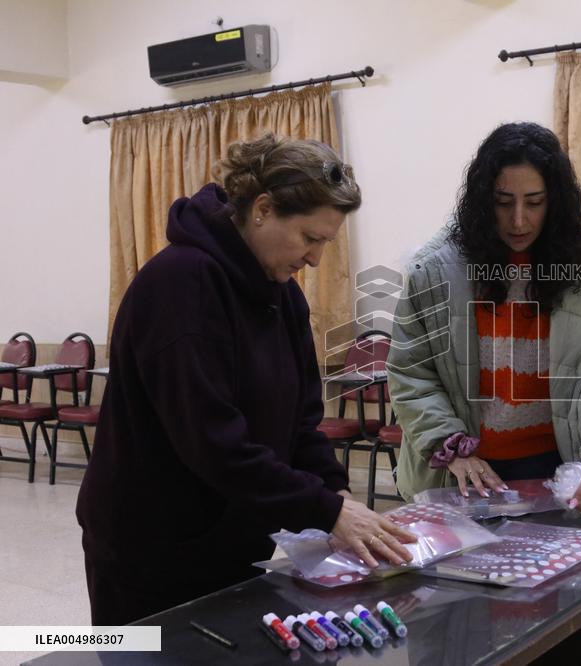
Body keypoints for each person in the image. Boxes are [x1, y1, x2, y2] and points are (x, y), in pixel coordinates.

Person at [77, 134, 414, 626]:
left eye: (326, 242)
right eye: (309, 238)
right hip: (151, 547)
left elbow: (302, 423)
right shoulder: (182, 283)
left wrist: (336, 494)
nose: (317, 259)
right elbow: (213, 442)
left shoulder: (282, 296)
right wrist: (323, 510)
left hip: (231, 535)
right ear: (261, 209)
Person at [388, 122, 581, 529]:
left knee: (565, 590)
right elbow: (411, 372)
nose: (519, 220)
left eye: (535, 202)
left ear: (555, 202)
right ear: (481, 200)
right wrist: (450, 446)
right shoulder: (436, 274)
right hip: (460, 471)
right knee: (466, 590)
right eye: (503, 202)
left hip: (559, 471)